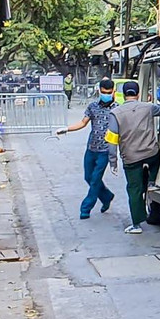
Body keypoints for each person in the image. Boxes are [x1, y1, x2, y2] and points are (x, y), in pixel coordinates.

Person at [106, 81, 160, 235]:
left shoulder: (115, 114)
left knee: (134, 189)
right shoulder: (148, 107)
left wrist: (113, 162)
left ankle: (136, 224)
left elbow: (112, 141)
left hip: (130, 158)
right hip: (150, 153)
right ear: (138, 94)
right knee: (156, 158)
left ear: (124, 95)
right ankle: (152, 181)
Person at [55, 78, 119, 220]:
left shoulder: (117, 109)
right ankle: (107, 196)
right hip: (91, 148)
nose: (106, 95)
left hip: (105, 150)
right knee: (88, 177)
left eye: (108, 92)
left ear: (113, 92)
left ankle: (86, 208)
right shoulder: (93, 106)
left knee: (95, 179)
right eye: (103, 92)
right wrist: (67, 129)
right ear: (99, 91)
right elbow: (83, 123)